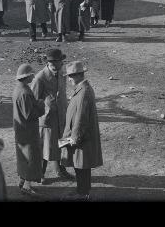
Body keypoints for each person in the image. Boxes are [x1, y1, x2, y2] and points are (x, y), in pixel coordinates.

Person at [61, 61, 103, 200]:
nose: (69, 79)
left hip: (81, 137)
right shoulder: (83, 89)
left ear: (79, 75)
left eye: (71, 76)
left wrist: (74, 138)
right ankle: (83, 191)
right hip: (81, 136)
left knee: (81, 166)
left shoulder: (84, 92)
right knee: (80, 165)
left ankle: (82, 193)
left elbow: (81, 118)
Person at [30, 49, 72, 180]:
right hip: (47, 120)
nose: (54, 64)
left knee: (63, 144)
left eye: (56, 61)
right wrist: (45, 112)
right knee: (45, 147)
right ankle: (39, 173)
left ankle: (61, 169)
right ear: (47, 62)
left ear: (61, 61)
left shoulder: (63, 73)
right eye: (51, 61)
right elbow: (33, 101)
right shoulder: (40, 78)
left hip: (63, 116)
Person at [12, 63, 45, 196]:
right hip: (28, 131)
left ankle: (23, 181)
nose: (33, 77)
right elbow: (29, 114)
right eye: (31, 75)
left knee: (24, 157)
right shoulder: (25, 92)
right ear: (27, 77)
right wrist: (41, 105)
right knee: (30, 158)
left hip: (21, 130)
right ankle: (26, 186)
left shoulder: (18, 89)